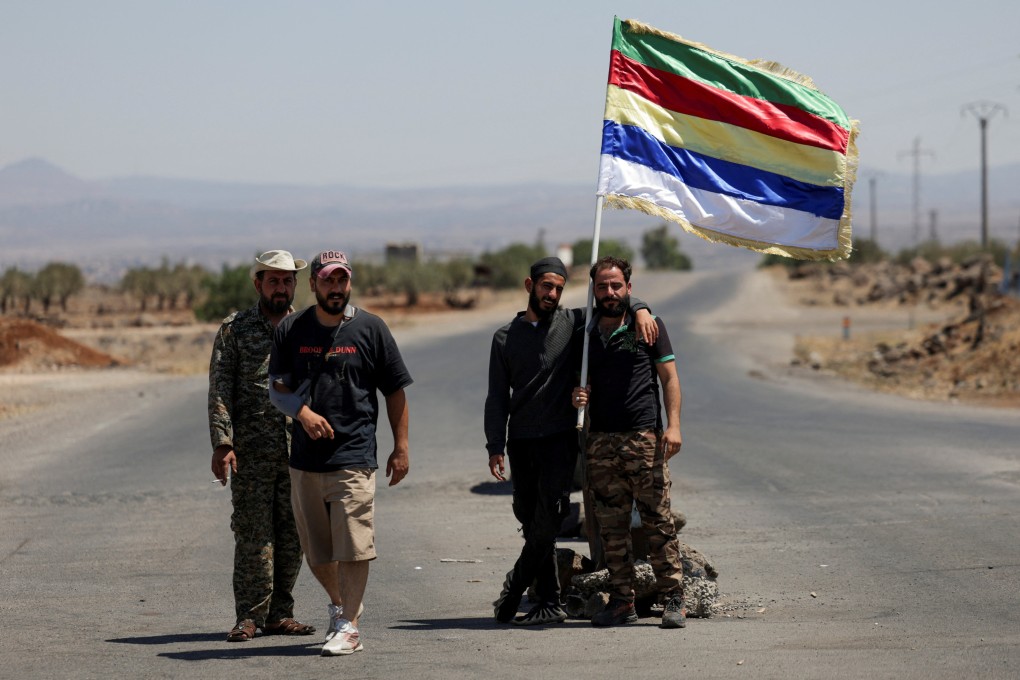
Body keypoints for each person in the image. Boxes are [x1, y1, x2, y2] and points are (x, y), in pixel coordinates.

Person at [484, 256, 656, 626]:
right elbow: (496, 397)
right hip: (522, 442)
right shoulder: (504, 337)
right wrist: (495, 445)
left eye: (559, 288)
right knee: (531, 522)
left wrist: (641, 308)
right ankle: (548, 600)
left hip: (560, 440)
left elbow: (615, 299)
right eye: (547, 286)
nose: (553, 294)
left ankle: (516, 585)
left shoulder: (572, 322)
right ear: (530, 286)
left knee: (550, 518)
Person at [268, 250, 412, 656]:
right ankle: (341, 606)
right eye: (329, 280)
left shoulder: (371, 328)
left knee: (353, 544)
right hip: (305, 460)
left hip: (354, 454)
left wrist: (401, 447)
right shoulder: (292, 329)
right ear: (313, 284)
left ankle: (350, 626)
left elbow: (395, 390)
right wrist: (303, 412)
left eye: (342, 279)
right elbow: (275, 387)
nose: (336, 287)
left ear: (350, 282)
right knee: (317, 552)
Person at [207, 249, 316, 642]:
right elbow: (220, 388)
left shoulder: (308, 328)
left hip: (300, 452)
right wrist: (223, 443)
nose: (281, 287)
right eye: (273, 280)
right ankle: (249, 617)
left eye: (287, 281)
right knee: (254, 536)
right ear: (258, 284)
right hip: (251, 453)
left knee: (293, 535)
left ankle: (280, 614)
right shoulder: (235, 329)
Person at [572, 255, 686, 629]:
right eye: (602, 286)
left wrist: (674, 426)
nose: (609, 292)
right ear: (594, 290)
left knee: (658, 523)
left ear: (629, 288)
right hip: (601, 442)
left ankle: (674, 598)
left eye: (616, 285)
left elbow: (669, 378)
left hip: (644, 439)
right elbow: (573, 385)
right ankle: (623, 600)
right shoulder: (585, 336)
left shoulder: (648, 327)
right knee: (611, 527)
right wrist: (577, 398)